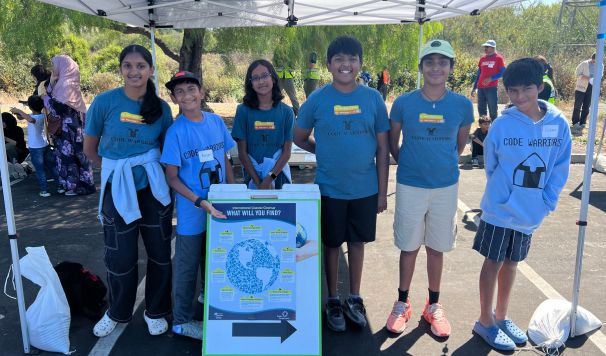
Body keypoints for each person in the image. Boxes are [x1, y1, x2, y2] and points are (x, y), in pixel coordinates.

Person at [472, 58, 571, 351]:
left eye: (527, 89)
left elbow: (560, 167)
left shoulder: (557, 123)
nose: (520, 96)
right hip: (500, 210)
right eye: (513, 91)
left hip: (531, 211)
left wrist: (546, 201)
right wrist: (504, 195)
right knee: (493, 262)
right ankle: (485, 321)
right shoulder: (502, 125)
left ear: (540, 86)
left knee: (512, 263)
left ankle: (501, 316)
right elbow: (491, 165)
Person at [294, 35, 389, 332]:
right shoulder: (317, 99)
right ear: (329, 65)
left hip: (365, 188)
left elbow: (383, 148)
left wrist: (382, 192)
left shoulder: (373, 98)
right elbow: (298, 136)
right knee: (332, 242)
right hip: (330, 187)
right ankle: (333, 299)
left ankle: (354, 297)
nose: (345, 65)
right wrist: (320, 151)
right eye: (339, 60)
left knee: (357, 242)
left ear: (360, 63)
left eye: (352, 59)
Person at [83, 44, 174, 338]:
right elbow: (90, 149)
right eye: (128, 66)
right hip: (117, 187)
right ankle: (117, 311)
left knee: (160, 253)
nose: (134, 71)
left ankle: (156, 310)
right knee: (119, 256)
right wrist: (116, 172)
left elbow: (166, 149)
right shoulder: (104, 102)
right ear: (121, 69)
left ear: (150, 70)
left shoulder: (161, 109)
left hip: (152, 188)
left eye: (140, 66)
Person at [386, 39, 473, 338]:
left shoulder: (462, 104)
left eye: (443, 62)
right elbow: (393, 143)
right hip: (410, 185)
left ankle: (433, 305)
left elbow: (459, 145)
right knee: (408, 247)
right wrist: (409, 163)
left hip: (445, 186)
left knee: (436, 248)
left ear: (450, 67)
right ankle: (402, 302)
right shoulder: (403, 102)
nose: (436, 67)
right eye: (430, 62)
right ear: (421, 67)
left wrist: (440, 163)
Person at [160, 71, 235, 340]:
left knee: (215, 256)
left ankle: (206, 298)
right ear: (173, 98)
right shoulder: (176, 132)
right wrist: (199, 201)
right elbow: (172, 177)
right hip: (194, 212)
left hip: (220, 206)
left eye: (191, 89)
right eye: (180, 92)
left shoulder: (215, 122)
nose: (187, 95)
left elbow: (225, 158)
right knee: (187, 266)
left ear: (201, 92)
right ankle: (181, 320)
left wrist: (232, 191)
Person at [232, 59, 294, 190]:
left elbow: (286, 152)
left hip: (278, 175)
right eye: (255, 78)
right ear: (250, 84)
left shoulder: (287, 112)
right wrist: (257, 181)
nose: (261, 81)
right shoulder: (243, 111)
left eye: (265, 75)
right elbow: (242, 153)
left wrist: (269, 178)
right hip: (252, 176)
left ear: (273, 78)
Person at [46, 54, 95, 196]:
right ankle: (86, 185)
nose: (53, 68)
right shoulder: (71, 82)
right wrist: (52, 82)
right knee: (81, 157)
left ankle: (76, 187)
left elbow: (55, 106)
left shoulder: (64, 85)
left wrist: (51, 86)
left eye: (54, 64)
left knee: (70, 158)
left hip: (68, 131)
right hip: (76, 129)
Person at [10, 96, 58, 197]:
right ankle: (61, 186)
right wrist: (17, 113)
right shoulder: (40, 115)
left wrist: (18, 110)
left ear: (30, 107)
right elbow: (23, 117)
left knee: (40, 170)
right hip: (44, 145)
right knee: (52, 167)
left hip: (36, 148)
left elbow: (30, 119)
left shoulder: (34, 118)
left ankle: (44, 190)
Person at [471, 40, 506, 120]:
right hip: (480, 87)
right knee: (481, 109)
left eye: (487, 47)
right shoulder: (482, 59)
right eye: (484, 47)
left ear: (493, 48)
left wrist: (491, 78)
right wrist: (474, 87)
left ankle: (494, 127)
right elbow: (479, 74)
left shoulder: (498, 58)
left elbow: (503, 72)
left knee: (493, 108)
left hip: (491, 87)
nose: (485, 48)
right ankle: (483, 129)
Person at [572, 53, 602, 131]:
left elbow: (600, 75)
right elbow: (577, 73)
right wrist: (587, 78)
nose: (595, 63)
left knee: (586, 106)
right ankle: (575, 122)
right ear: (592, 58)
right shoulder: (584, 64)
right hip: (581, 87)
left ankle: (583, 122)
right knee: (577, 105)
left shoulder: (601, 65)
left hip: (592, 87)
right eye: (594, 61)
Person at [273, 48, 300, 116]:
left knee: (292, 96)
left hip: (288, 76)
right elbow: (274, 62)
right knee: (275, 94)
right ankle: (274, 111)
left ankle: (297, 113)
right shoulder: (277, 51)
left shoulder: (291, 50)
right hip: (280, 76)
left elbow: (294, 63)